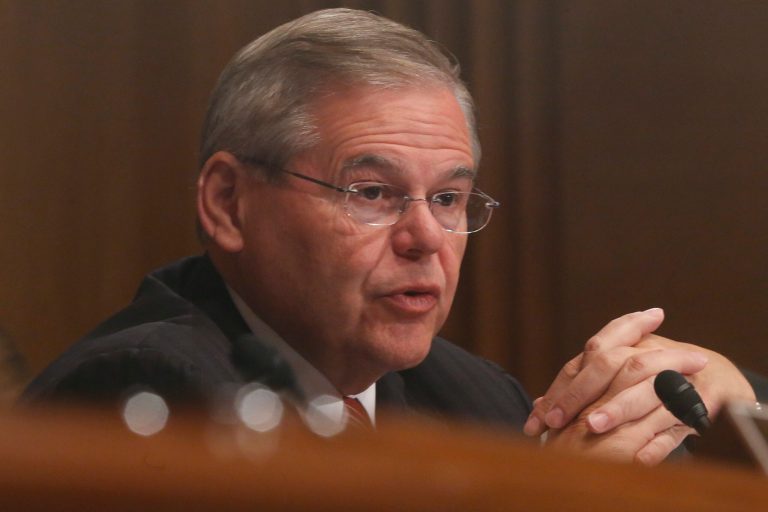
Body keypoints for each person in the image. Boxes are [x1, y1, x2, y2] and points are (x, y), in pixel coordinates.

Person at [22, 8, 766, 465]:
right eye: (372, 192)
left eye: (449, 197)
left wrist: (734, 408)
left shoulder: (467, 392)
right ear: (227, 202)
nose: (425, 238)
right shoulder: (144, 385)